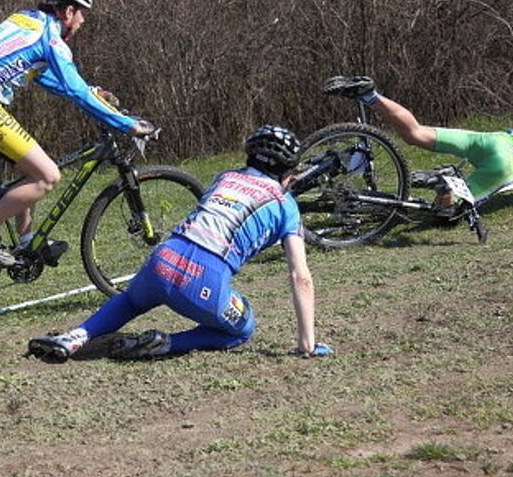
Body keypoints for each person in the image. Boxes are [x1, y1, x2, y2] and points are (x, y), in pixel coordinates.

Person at [27, 125, 334, 362]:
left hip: (163, 258)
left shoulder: (225, 177)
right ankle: (166, 343)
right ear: (289, 175)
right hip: (206, 281)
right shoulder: (285, 203)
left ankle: (75, 336)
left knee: (131, 301)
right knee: (244, 327)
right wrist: (306, 344)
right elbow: (300, 276)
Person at [0, 0, 155, 267]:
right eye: (81, 12)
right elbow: (74, 89)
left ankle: (27, 241)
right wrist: (127, 124)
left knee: (32, 169)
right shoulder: (50, 37)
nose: (82, 21)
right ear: (67, 10)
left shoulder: (26, 20)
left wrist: (91, 92)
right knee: (48, 176)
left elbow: (44, 76)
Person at [325, 76, 513, 204]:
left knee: (416, 133)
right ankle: (447, 186)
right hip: (510, 163)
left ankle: (370, 95)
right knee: (445, 213)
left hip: (494, 140)